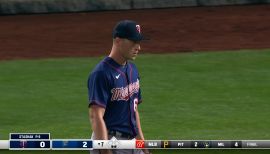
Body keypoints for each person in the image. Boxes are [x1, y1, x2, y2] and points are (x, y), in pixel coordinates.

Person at [87, 20, 150, 154]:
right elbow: (95, 116)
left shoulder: (133, 70)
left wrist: (142, 144)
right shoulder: (101, 73)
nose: (138, 47)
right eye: (134, 42)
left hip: (132, 143)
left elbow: (134, 111)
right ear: (118, 41)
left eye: (139, 43)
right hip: (110, 141)